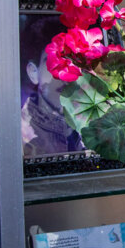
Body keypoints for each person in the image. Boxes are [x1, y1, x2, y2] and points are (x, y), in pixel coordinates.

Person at [21, 14, 85, 158]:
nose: (65, 74)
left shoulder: (99, 124)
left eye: (74, 62)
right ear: (33, 72)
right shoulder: (17, 133)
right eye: (54, 63)